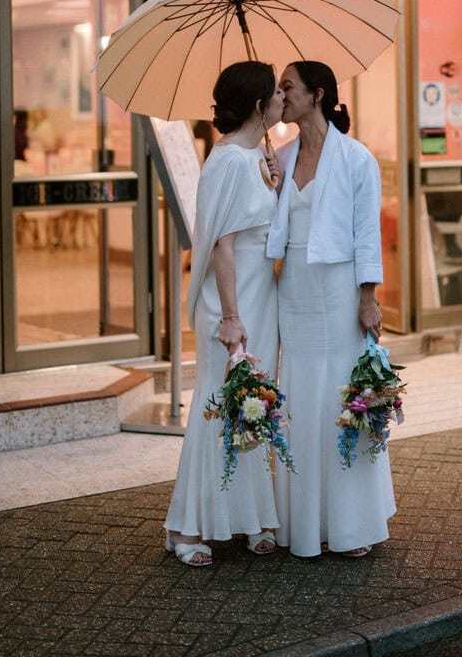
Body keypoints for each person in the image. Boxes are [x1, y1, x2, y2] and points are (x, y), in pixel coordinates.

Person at [267, 60, 396, 558]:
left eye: (288, 88)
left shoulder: (356, 158)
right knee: (301, 397)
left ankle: (350, 523)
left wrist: (368, 297)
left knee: (342, 398)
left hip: (341, 287)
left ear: (317, 94)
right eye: (279, 89)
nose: (282, 97)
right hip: (294, 287)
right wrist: (270, 185)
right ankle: (303, 523)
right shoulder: (280, 154)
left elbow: (368, 232)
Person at [163, 61, 284, 567]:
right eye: (276, 93)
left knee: (250, 408)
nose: (282, 99)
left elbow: (257, 226)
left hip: (261, 296)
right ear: (259, 106)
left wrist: (273, 185)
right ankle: (186, 527)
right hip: (234, 302)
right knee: (218, 409)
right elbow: (223, 246)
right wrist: (231, 317)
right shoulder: (230, 161)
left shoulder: (253, 157)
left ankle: (249, 518)